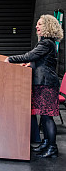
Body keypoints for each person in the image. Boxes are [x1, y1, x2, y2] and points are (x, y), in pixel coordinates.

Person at [4, 14, 63, 158]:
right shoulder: (46, 43)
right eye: (37, 24)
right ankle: (45, 143)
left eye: (40, 24)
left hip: (46, 84)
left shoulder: (46, 43)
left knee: (47, 117)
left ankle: (52, 147)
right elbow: (41, 60)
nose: (36, 26)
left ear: (48, 27)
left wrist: (10, 59)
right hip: (42, 83)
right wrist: (31, 64)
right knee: (43, 117)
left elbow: (30, 55)